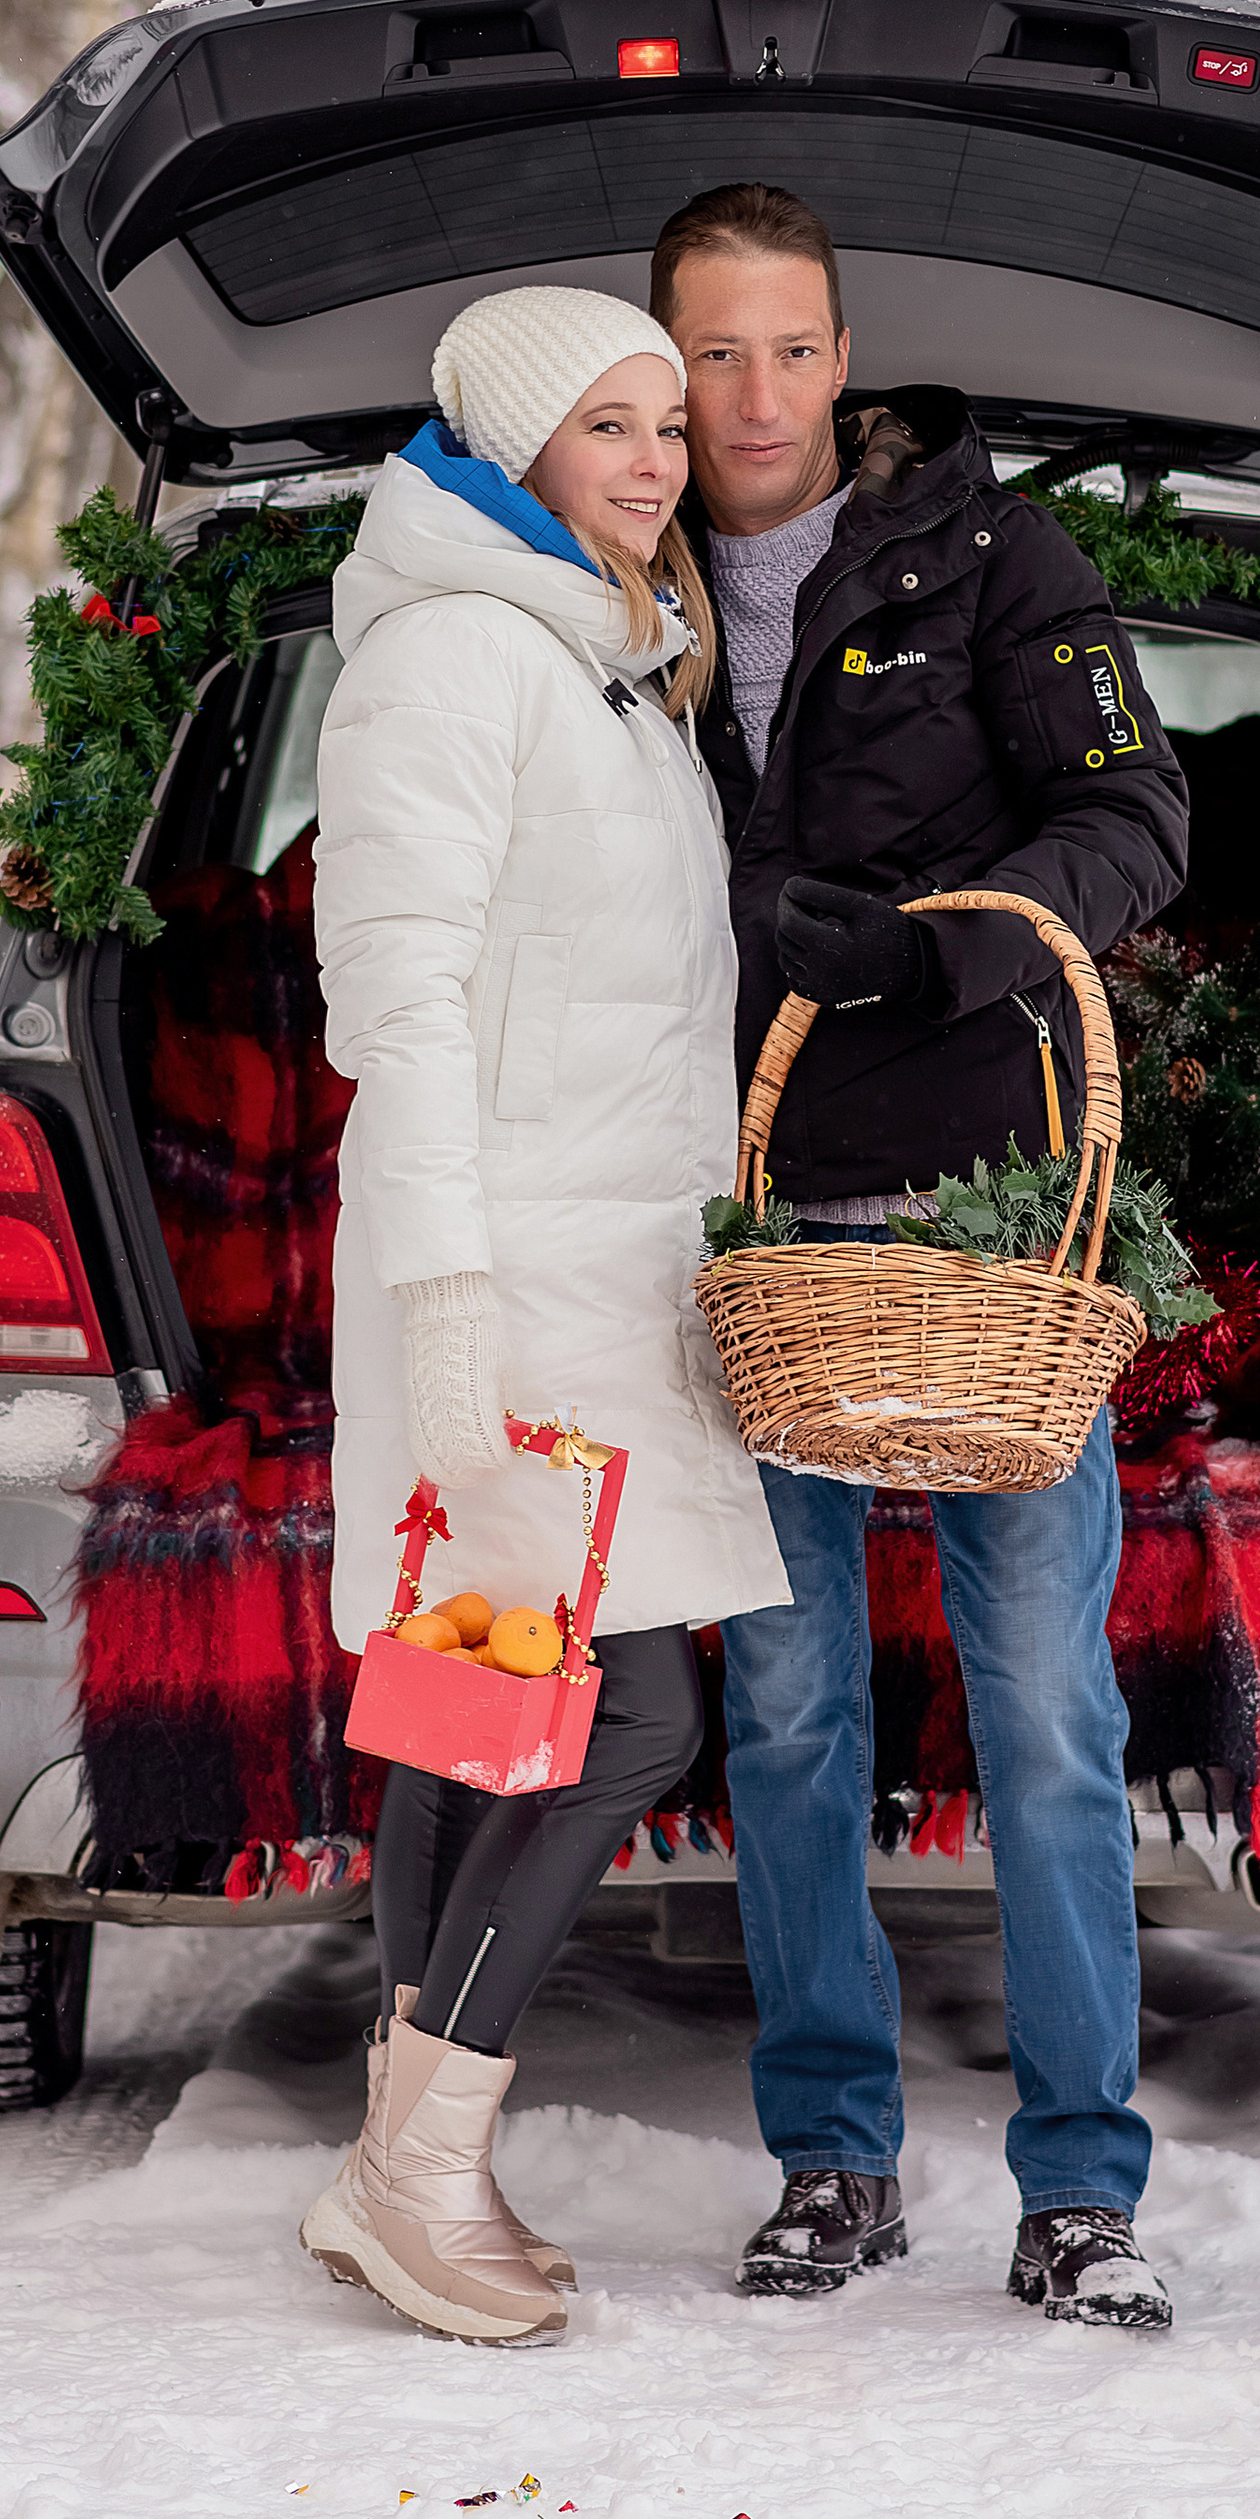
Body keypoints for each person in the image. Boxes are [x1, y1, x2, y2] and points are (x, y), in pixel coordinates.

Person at [656, 180, 1191, 2331]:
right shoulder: (613, 568)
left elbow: (1137, 815)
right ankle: (831, 2163)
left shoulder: (987, 555)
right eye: (713, 352)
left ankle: (1078, 2192)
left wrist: (940, 945)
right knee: (781, 1714)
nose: (754, 395)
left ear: (844, 357)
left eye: (791, 347)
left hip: (981, 1223)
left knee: (1045, 1715)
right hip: (755, 1222)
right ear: (661, 365)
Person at [299, 283, 790, 2346]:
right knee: (621, 1711)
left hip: (613, 1272)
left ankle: (399, 2170)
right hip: (500, 1272)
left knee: (474, 1704)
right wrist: (443, 1307)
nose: (657, 458)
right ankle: (416, 2159)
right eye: (606, 425)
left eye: (665, 422)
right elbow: (389, 1001)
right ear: (510, 451)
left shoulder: (608, 668)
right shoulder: (453, 663)